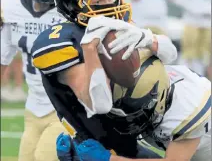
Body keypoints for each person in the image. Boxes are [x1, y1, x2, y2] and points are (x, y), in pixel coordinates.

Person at [31, 0, 177, 159]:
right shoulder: (60, 41)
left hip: (129, 141)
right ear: (72, 2)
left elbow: (171, 54)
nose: (109, 2)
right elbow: (99, 104)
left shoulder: (117, 23)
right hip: (91, 148)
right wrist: (90, 49)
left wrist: (147, 38)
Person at [55, 40, 211, 161]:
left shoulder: (189, 107)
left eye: (133, 110)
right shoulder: (140, 86)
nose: (124, 118)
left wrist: (109, 159)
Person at [0, 0, 75, 160]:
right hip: (33, 107)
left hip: (66, 107)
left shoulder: (76, 9)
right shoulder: (9, 5)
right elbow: (2, 58)